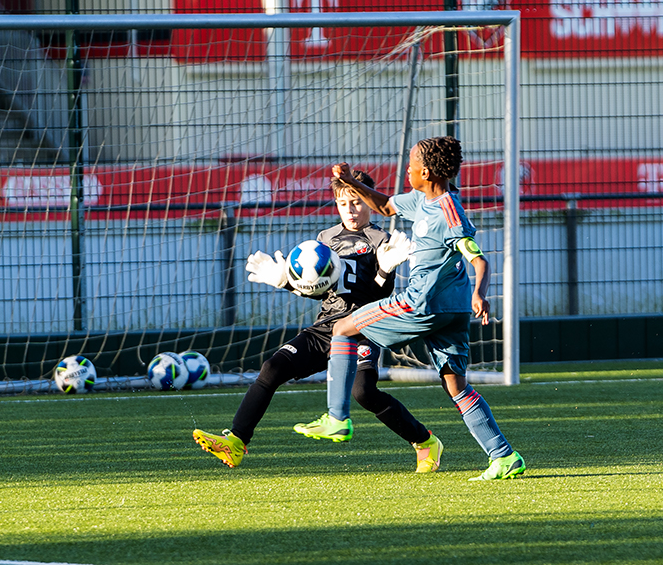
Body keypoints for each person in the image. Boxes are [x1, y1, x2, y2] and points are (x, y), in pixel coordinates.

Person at [192, 170, 444, 471]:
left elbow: (379, 294)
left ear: (367, 201)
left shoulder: (381, 239)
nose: (350, 210)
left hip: (362, 328)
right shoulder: (325, 239)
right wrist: (286, 281)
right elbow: (319, 291)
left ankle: (425, 441)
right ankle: (236, 442)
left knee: (363, 392)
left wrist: (385, 270)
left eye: (356, 202)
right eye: (342, 203)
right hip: (326, 327)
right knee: (272, 368)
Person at [326, 136, 526, 480]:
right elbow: (386, 206)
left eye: (412, 162)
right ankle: (503, 456)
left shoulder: (449, 211)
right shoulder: (420, 199)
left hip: (421, 304)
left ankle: (336, 418)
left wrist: (481, 291)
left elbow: (478, 260)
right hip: (453, 310)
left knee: (342, 328)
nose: (407, 168)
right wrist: (351, 183)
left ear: (427, 171)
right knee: (456, 386)